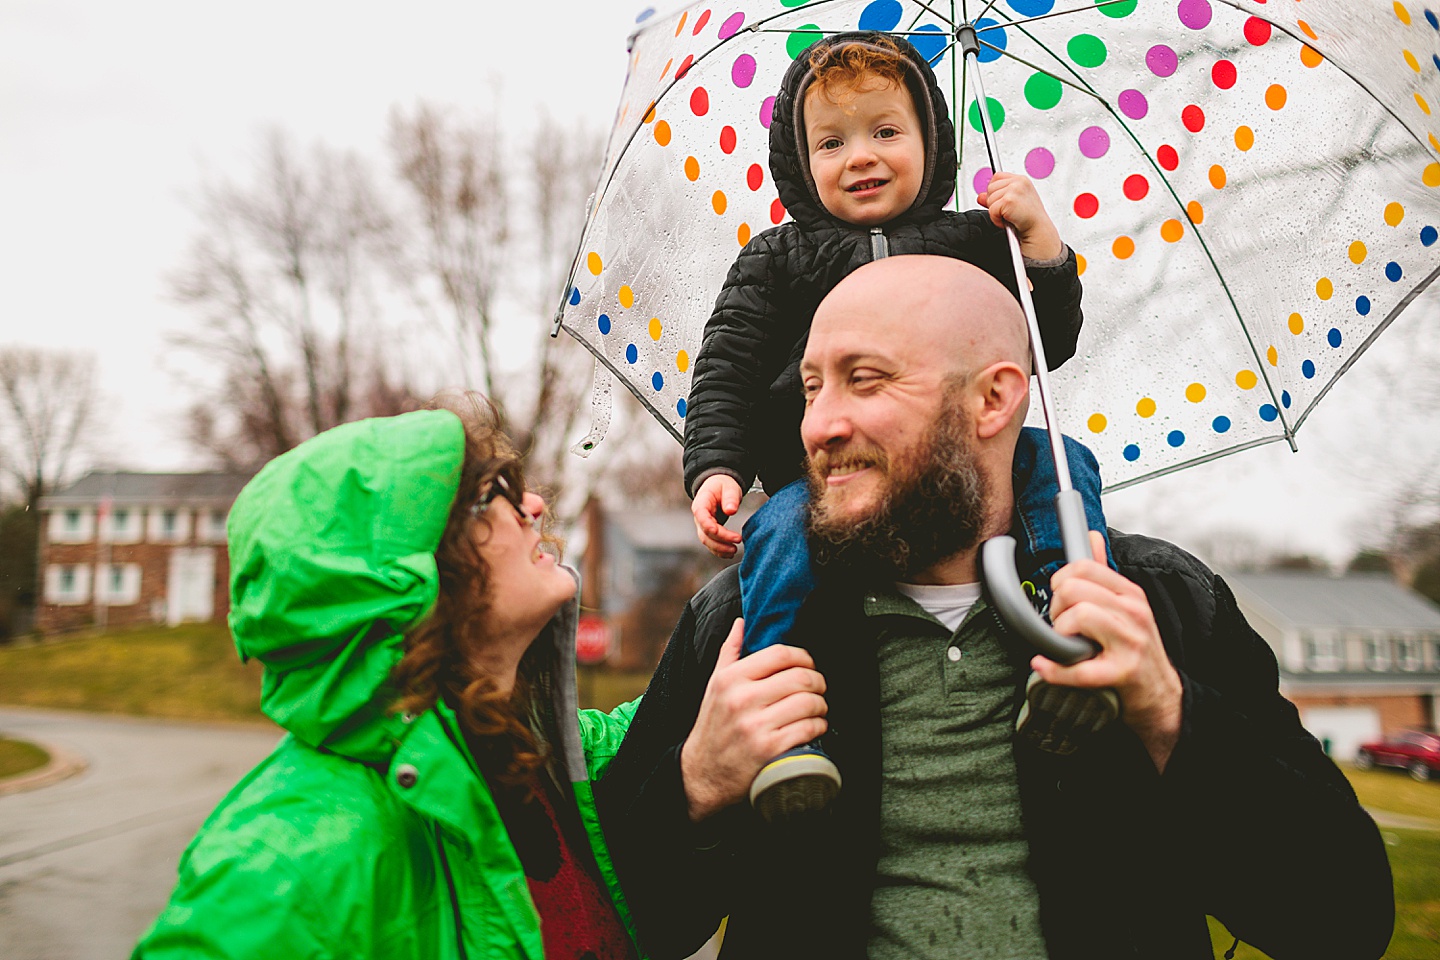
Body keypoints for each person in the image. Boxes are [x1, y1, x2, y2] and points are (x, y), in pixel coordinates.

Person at [598, 256, 1394, 959]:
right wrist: (695, 786)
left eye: (864, 379)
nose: (819, 425)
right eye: (812, 386)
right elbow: (610, 931)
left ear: (994, 400)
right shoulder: (742, 623)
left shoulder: (1159, 602)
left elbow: (1343, 919)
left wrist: (1168, 713)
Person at [683, 32, 1109, 817]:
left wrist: (1040, 246)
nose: (861, 157)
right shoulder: (778, 259)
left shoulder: (978, 239)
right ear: (798, 159)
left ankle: (1068, 612)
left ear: (932, 141)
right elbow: (726, 372)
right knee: (777, 536)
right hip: (822, 487)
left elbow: (1045, 341)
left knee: (1063, 459)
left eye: (886, 132)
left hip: (969, 458)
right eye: (833, 142)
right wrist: (718, 468)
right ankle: (785, 714)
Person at [133, 393, 642, 960]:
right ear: (402, 578)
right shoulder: (287, 858)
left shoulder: (528, 751)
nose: (532, 506)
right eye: (487, 496)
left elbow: (648, 735)